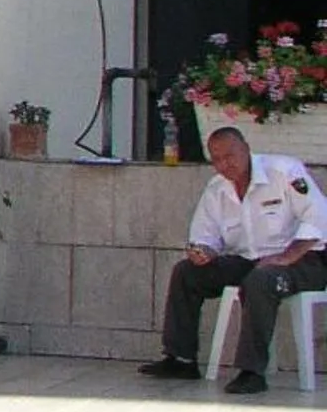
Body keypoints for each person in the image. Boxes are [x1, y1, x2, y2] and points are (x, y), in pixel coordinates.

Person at [138, 125, 327, 394]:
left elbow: (320, 217)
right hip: (248, 259)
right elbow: (204, 235)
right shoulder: (217, 189)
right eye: (216, 159)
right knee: (186, 272)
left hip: (304, 260)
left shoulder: (283, 172)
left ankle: (252, 371)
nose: (225, 164)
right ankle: (180, 358)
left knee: (261, 279)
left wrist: (288, 256)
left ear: (246, 149)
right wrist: (203, 252)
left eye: (230, 155)